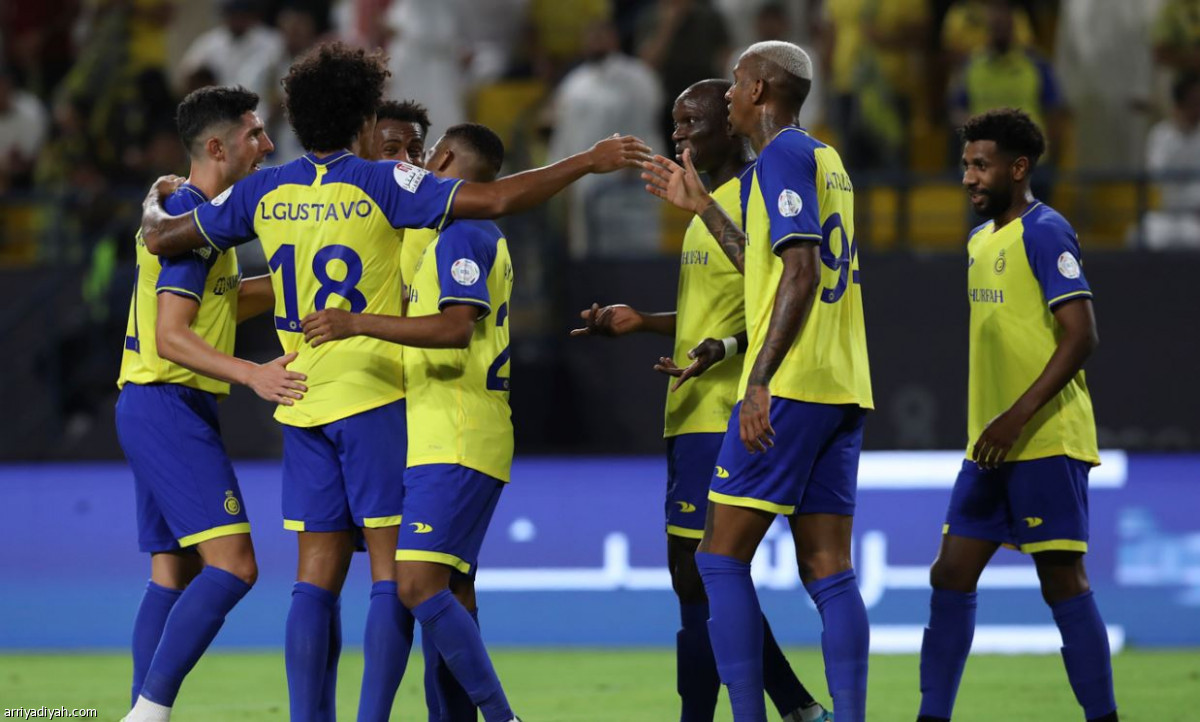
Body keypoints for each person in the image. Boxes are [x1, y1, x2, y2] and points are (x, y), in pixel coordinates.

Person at [137, 41, 647, 722]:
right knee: (391, 576)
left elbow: (165, 239)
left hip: (299, 397)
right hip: (375, 392)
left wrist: (156, 206)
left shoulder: (263, 189)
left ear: (297, 117)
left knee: (313, 580)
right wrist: (586, 160)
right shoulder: (384, 181)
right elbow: (495, 199)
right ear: (362, 118)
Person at [572, 79, 831, 722]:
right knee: (700, 575)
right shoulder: (704, 205)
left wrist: (727, 348)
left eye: (692, 121)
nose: (678, 133)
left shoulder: (754, 196)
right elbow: (715, 313)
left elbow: (779, 292)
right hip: (690, 407)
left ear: (731, 123)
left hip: (726, 410)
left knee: (701, 574)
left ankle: (771, 708)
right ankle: (796, 706)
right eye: (675, 121)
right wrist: (645, 321)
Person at [643, 41, 873, 722]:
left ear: (761, 90)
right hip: (844, 383)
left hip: (793, 381)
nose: (731, 94)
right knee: (829, 570)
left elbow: (799, 269)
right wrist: (706, 210)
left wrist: (759, 380)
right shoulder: (828, 161)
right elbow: (766, 269)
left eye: (738, 82)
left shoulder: (781, 156)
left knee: (716, 560)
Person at [302, 120, 517, 722]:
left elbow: (454, 328)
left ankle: (504, 717)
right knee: (452, 592)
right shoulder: (468, 234)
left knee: (416, 584)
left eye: (425, 155)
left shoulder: (461, 232)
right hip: (455, 432)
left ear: (442, 159)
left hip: (456, 433)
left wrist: (355, 322)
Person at [916, 108, 1116, 722]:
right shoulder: (979, 241)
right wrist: (997, 426)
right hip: (990, 448)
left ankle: (1105, 717)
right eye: (965, 165)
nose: (969, 177)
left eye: (981, 165)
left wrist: (1017, 416)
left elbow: (1081, 335)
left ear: (1019, 168)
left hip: (1044, 437)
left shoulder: (1046, 231)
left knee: (1062, 581)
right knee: (950, 574)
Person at [116, 85, 299, 722]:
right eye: (255, 134)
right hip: (168, 402)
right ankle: (149, 712)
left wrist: (299, 280)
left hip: (153, 403)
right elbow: (172, 335)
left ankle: (142, 711)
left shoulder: (186, 216)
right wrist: (252, 374)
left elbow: (223, 302)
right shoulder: (192, 221)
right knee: (235, 567)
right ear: (217, 147)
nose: (267, 145)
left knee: (173, 574)